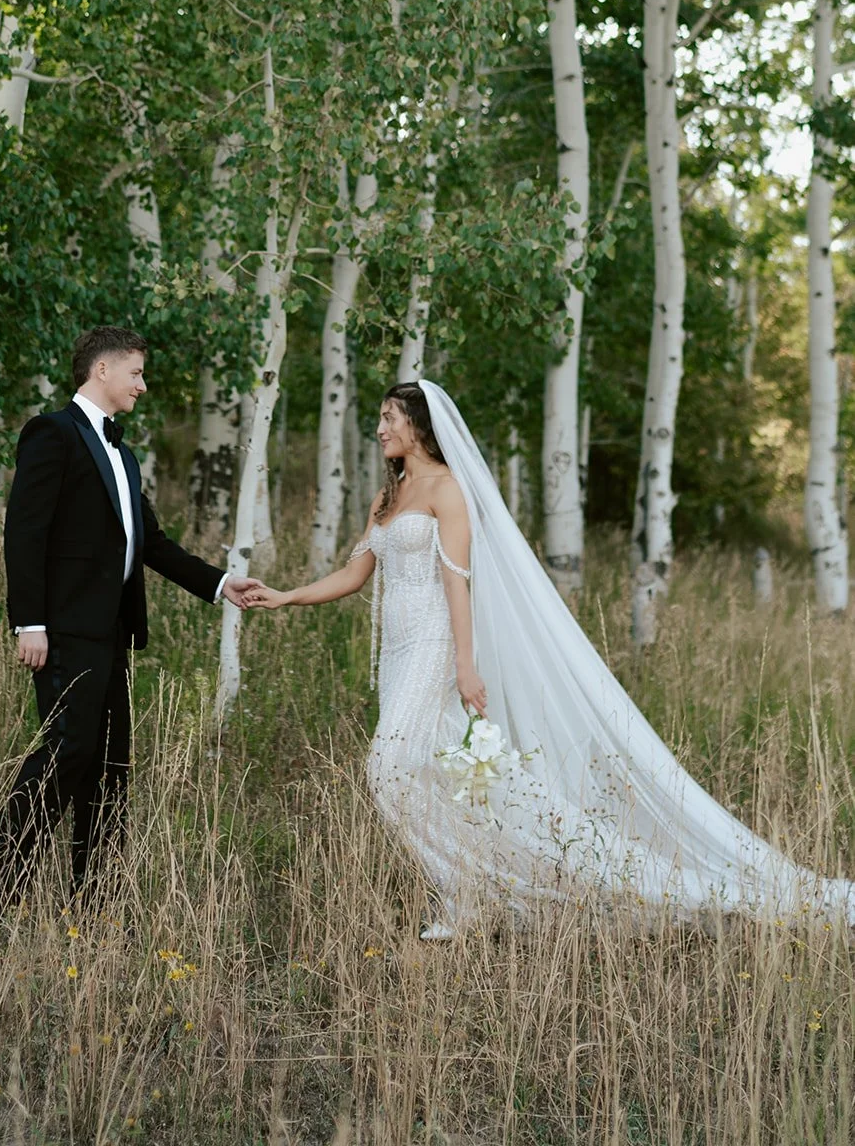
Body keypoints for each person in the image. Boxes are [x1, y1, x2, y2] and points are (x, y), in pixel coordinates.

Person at [244, 379, 855, 938]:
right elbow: (356, 572)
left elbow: (458, 579)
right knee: (440, 773)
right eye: (380, 419)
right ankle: (468, 893)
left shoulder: (448, 490)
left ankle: (481, 885)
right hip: (396, 655)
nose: (380, 429)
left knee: (388, 767)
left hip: (433, 646)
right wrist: (288, 595)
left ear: (419, 426)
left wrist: (465, 664)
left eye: (389, 418)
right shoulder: (391, 493)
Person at [0, 326, 261, 909]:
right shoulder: (50, 433)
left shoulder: (122, 453)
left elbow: (150, 542)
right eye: (136, 373)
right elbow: (24, 533)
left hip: (112, 634)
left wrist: (223, 583)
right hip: (62, 629)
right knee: (66, 752)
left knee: (110, 765)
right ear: (101, 370)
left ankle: (94, 899)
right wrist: (28, 621)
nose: (143, 385)